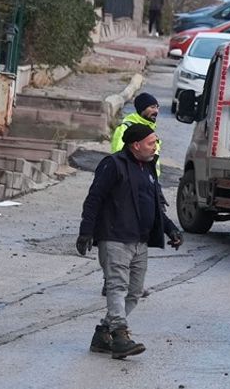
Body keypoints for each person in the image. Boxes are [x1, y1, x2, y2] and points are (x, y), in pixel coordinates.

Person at [77, 123, 182, 359]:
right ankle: (120, 335)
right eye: (151, 143)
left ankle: (103, 334)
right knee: (116, 286)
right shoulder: (113, 165)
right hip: (114, 238)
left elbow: (155, 206)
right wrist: (86, 231)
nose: (155, 147)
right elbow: (94, 198)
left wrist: (171, 230)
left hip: (140, 241)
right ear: (136, 145)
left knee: (134, 292)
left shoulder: (148, 168)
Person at [111, 92, 162, 177]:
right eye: (152, 107)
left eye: (157, 107)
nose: (156, 111)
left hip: (150, 181)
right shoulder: (125, 128)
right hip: (132, 180)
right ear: (142, 109)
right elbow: (118, 156)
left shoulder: (151, 130)